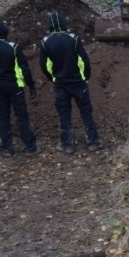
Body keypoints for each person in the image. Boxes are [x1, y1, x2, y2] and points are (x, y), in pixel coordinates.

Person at [38, 12, 102, 152]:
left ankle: (67, 145)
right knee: (86, 112)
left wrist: (53, 78)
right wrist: (85, 77)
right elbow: (83, 60)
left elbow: (45, 65)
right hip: (78, 82)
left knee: (64, 114)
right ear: (63, 24)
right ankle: (93, 141)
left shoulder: (45, 42)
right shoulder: (73, 38)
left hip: (60, 84)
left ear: (50, 26)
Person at [0, 18, 38, 156]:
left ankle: (7, 148)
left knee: (3, 117)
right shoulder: (13, 47)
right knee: (22, 116)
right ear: (3, 31)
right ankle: (30, 148)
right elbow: (25, 69)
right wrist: (31, 86)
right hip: (15, 86)